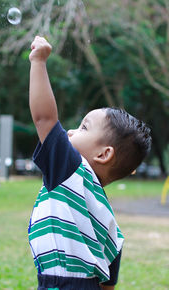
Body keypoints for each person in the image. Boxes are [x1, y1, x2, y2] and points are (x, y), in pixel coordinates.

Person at [28, 36, 152, 290]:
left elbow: (44, 119)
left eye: (84, 127)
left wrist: (38, 62)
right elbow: (110, 279)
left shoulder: (71, 170)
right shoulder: (107, 218)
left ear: (104, 155)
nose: (71, 131)